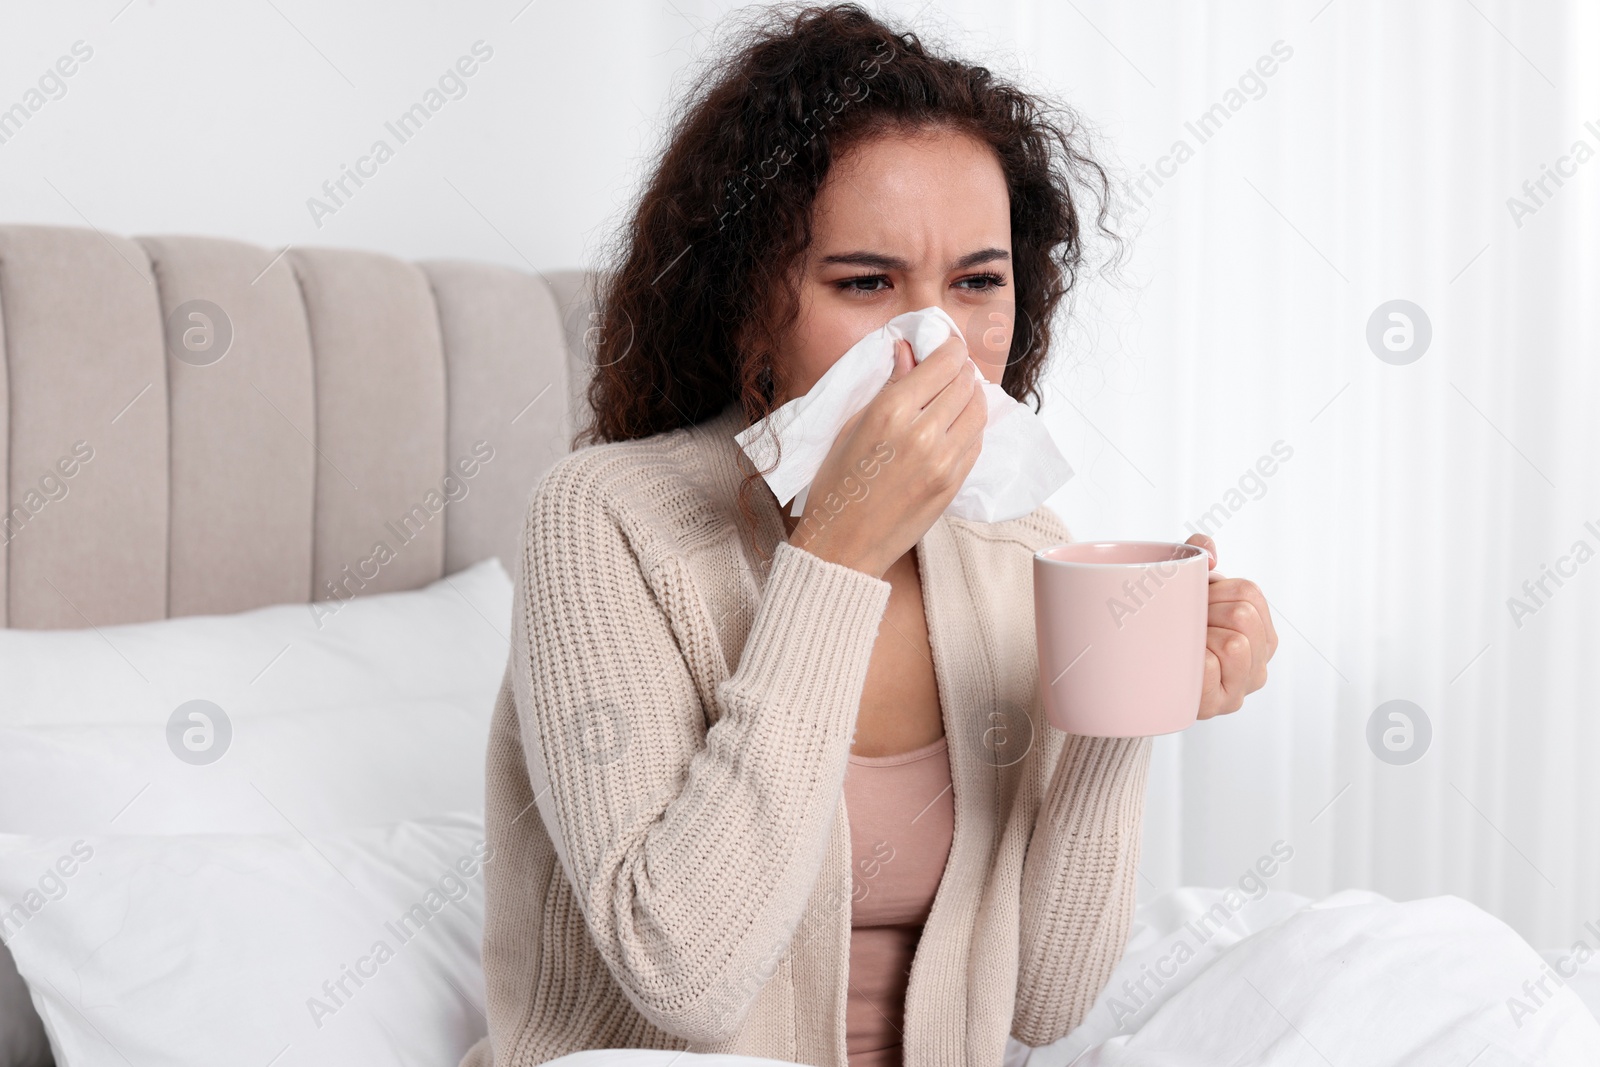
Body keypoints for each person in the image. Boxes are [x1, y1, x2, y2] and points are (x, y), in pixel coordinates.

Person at [461, 5, 1276, 1066]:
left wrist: (1126, 706)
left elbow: (1045, 998)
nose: (933, 341)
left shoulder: (1019, 542)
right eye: (865, 283)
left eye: (977, 283)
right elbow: (683, 978)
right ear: (750, 305)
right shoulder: (605, 516)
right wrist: (834, 555)